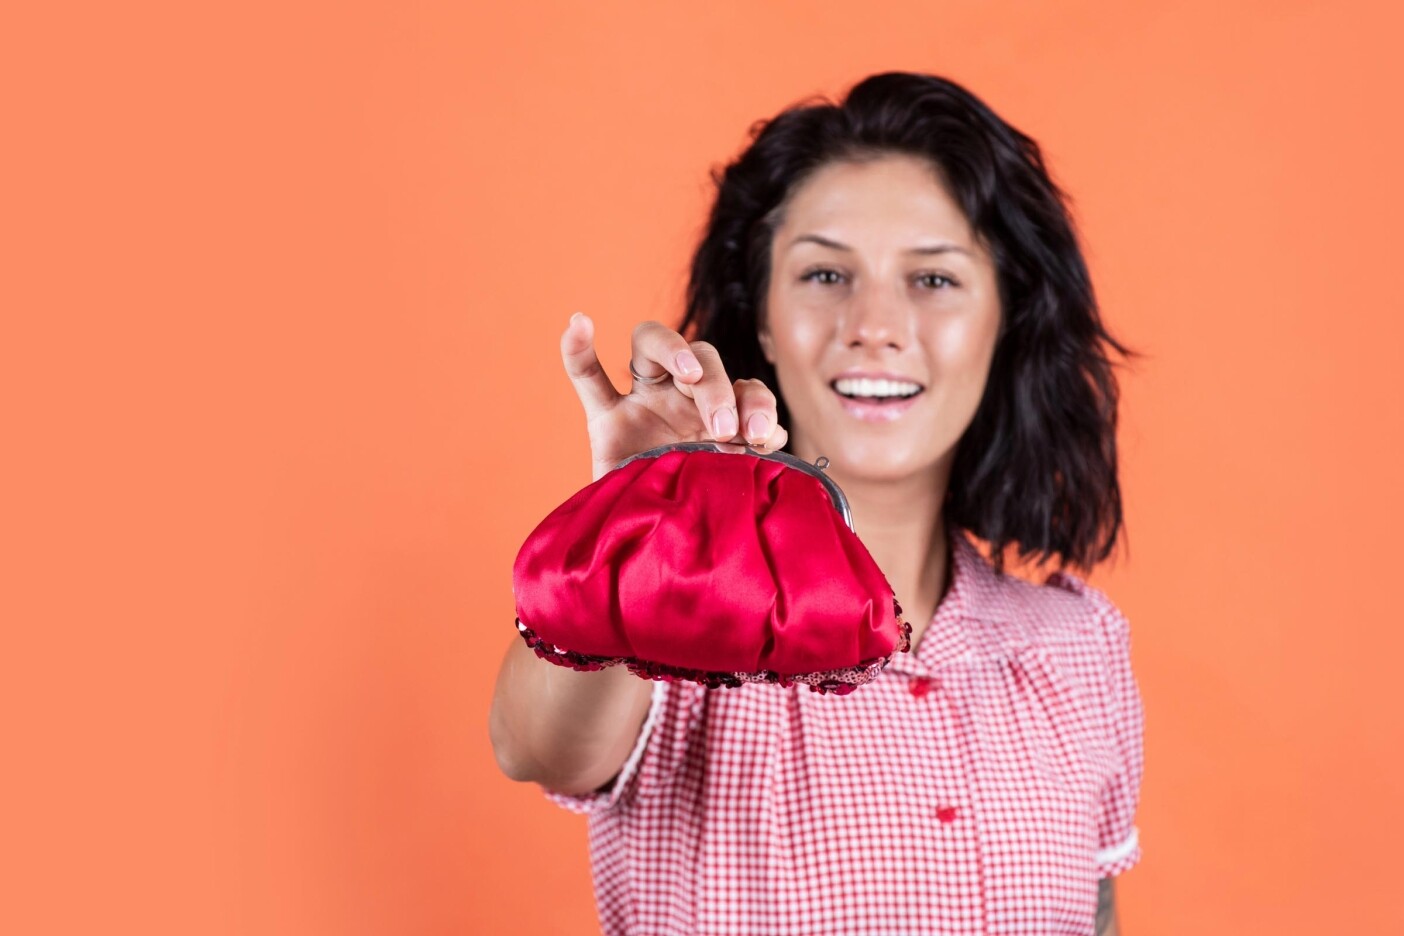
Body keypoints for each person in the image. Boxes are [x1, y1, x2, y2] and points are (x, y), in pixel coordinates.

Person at [489, 71, 1144, 936]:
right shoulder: (677, 621)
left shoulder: (1079, 646)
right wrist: (640, 527)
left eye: (935, 280)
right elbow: (531, 746)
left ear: (1006, 317)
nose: (874, 323)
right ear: (761, 317)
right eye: (826, 274)